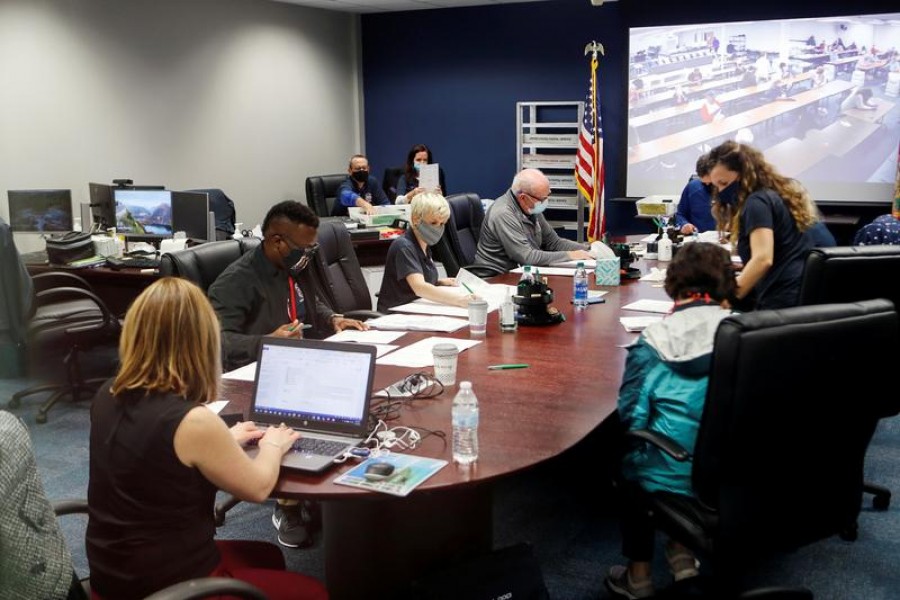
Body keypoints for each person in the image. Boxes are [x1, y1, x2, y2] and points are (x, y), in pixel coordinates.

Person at [86, 277, 328, 600]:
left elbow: (153, 456)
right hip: (168, 584)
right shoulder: (192, 421)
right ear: (199, 343)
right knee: (313, 592)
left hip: (115, 575)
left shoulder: (107, 394)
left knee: (268, 557)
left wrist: (222, 439)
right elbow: (258, 487)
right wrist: (272, 445)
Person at [208, 201, 367, 548]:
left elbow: (307, 302)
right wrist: (267, 342)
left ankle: (326, 478)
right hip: (254, 377)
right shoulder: (237, 281)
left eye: (313, 247)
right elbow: (215, 340)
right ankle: (288, 506)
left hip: (298, 364)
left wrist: (330, 318)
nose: (309, 253)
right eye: (304, 247)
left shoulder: (292, 265)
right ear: (277, 241)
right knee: (303, 412)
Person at [605, 242, 736, 600]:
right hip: (739, 470)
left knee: (630, 459)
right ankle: (681, 554)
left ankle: (639, 577)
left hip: (678, 474)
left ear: (673, 285)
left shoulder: (654, 341)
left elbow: (631, 418)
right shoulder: (748, 332)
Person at [708, 140, 817, 310]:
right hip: (796, 294)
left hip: (781, 301)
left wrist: (728, 299)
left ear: (743, 175)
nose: (721, 192)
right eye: (717, 186)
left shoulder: (756, 202)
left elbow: (763, 259)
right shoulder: (774, 195)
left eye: (724, 183)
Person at [472, 168, 592, 274]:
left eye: (548, 196)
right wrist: (571, 255)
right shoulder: (503, 213)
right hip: (497, 277)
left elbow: (554, 243)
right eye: (542, 199)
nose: (546, 202)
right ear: (523, 197)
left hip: (520, 272)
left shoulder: (531, 208)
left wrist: (588, 250)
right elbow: (527, 257)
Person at [377, 193, 472, 312]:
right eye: (433, 223)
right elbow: (419, 287)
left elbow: (415, 280)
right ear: (416, 219)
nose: (438, 228)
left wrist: (439, 282)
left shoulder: (424, 245)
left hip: (416, 308)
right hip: (395, 315)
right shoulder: (404, 247)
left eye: (442, 224)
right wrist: (460, 300)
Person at [675, 153, 716, 235]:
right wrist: (684, 224)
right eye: (704, 183)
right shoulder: (692, 187)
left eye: (711, 183)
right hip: (699, 240)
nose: (707, 185)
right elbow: (680, 214)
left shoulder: (730, 190)